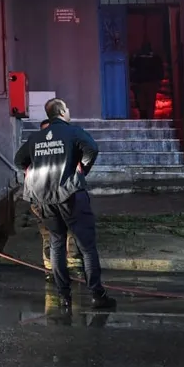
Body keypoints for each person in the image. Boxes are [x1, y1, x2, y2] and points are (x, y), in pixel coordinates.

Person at [14, 98, 116, 310]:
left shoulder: (37, 137)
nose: (68, 111)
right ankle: (98, 295)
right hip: (71, 195)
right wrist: (82, 168)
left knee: (57, 244)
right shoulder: (72, 132)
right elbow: (92, 149)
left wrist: (33, 171)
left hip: (46, 198)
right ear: (61, 112)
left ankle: (64, 297)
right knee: (86, 247)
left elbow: (18, 160)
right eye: (67, 108)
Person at [29, 118, 85, 283]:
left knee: (71, 234)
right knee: (50, 235)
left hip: (65, 198)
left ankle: (73, 269)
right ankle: (52, 270)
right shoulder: (38, 151)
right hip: (44, 200)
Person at [129, 42, 164, 119]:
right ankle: (149, 118)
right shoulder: (156, 58)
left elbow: (132, 68)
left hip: (141, 83)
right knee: (150, 103)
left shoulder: (137, 59)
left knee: (142, 103)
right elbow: (160, 71)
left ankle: (144, 117)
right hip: (151, 83)